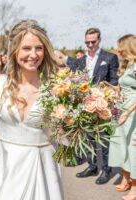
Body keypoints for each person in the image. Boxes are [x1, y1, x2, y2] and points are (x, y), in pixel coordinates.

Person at [0, 19, 63, 200]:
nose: (33, 54)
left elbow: (65, 132)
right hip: (5, 164)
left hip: (43, 164)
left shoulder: (57, 87)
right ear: (14, 51)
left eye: (39, 48)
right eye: (26, 48)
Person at [71, 28, 119, 184]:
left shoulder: (110, 57)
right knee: (88, 138)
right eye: (87, 42)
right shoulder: (79, 61)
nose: (90, 45)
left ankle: (106, 170)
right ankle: (92, 167)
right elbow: (74, 83)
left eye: (93, 41)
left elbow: (114, 81)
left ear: (99, 40)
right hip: (85, 106)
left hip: (103, 104)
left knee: (104, 139)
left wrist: (106, 92)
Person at [108, 34, 136, 200]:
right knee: (121, 144)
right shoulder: (127, 64)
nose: (118, 51)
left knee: (133, 147)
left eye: (121, 48)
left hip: (133, 111)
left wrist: (127, 112)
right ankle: (126, 177)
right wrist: (108, 87)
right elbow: (122, 86)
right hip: (122, 107)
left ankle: (135, 185)